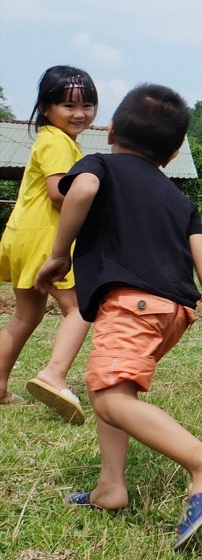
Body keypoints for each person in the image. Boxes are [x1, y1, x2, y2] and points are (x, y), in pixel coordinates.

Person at [34, 84, 202, 548]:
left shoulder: (99, 165)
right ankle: (111, 487)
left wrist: (59, 255)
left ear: (110, 130)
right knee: (114, 385)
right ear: (172, 155)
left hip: (133, 302)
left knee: (109, 398)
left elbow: (83, 189)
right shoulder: (177, 198)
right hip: (174, 309)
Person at [0, 66, 97, 424]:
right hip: (46, 238)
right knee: (81, 308)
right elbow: (59, 193)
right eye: (68, 106)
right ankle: (53, 375)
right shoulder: (56, 141)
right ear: (45, 107)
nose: (79, 114)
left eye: (87, 105)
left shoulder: (57, 140)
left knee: (26, 315)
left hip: (22, 234)